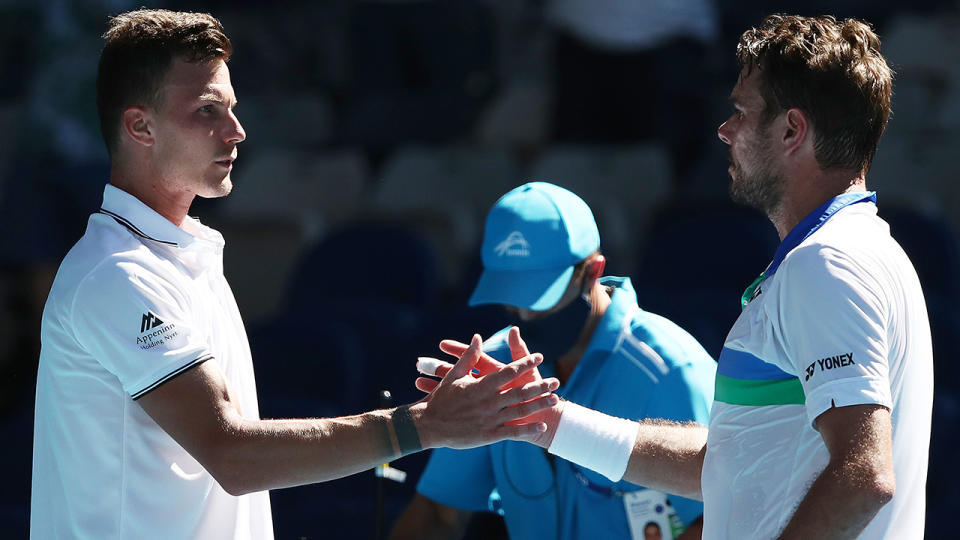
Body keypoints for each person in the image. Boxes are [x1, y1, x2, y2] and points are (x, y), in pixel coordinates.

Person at [30, 9, 559, 539]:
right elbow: (232, 454)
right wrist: (425, 425)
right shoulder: (116, 274)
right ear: (140, 126)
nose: (236, 131)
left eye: (232, 108)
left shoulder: (171, 256)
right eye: (207, 111)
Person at [426, 14, 932, 540]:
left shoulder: (827, 263)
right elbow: (724, 465)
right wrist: (546, 421)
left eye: (741, 111)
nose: (725, 129)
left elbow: (865, 476)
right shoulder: (858, 252)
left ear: (791, 130)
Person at [391, 182, 716, 540]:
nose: (525, 315)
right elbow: (438, 512)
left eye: (540, 298)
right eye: (514, 297)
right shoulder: (493, 367)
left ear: (592, 271)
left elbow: (727, 522)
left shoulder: (671, 373)